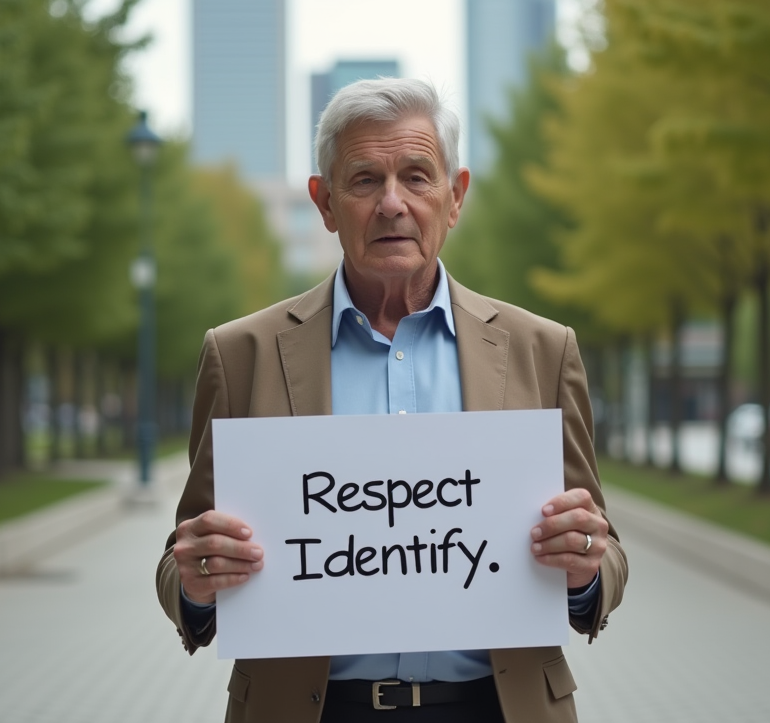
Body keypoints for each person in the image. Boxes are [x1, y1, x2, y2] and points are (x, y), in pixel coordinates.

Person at [156, 78, 627, 723]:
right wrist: (196, 584)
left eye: (416, 176)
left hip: (498, 708)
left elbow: (606, 549)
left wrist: (586, 572)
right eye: (364, 180)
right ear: (323, 202)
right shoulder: (243, 356)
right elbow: (181, 556)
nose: (392, 203)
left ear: (455, 196)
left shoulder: (542, 351)